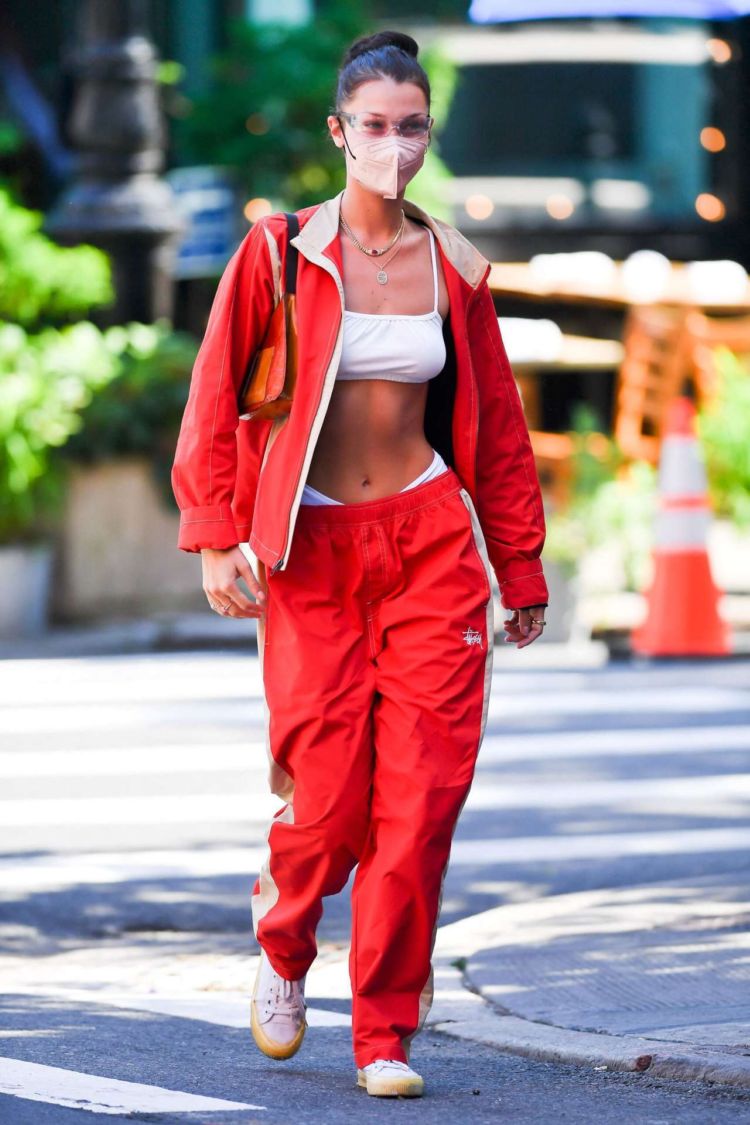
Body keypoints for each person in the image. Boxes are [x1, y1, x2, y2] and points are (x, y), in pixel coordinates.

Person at [171, 29, 549, 1099]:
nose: (394, 144)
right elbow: (213, 397)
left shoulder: (457, 267)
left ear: (430, 135)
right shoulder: (284, 253)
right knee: (329, 799)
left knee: (422, 798)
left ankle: (383, 1030)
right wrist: (213, 530)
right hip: (314, 549)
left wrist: (518, 568)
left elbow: (497, 434)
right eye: (374, 126)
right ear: (340, 134)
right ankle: (284, 945)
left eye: (412, 126)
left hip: (429, 543)